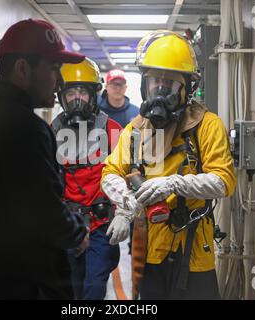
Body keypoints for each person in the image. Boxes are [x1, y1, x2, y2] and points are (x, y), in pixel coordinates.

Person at [0, 19, 89, 300]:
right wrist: (77, 231)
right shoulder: (24, 127)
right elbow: (45, 212)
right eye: (53, 69)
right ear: (22, 69)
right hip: (24, 285)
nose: (60, 81)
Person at [101, 30, 236, 300]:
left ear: (187, 87)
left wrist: (173, 183)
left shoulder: (207, 125)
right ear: (144, 85)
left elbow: (223, 182)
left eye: (170, 84)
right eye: (155, 82)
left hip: (194, 250)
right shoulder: (135, 130)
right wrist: (126, 207)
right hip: (150, 249)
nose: (161, 91)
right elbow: (110, 173)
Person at [51, 58, 123, 300]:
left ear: (94, 94)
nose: (77, 99)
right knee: (71, 289)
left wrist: (124, 214)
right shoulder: (52, 132)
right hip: (67, 224)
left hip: (101, 224)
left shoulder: (112, 130)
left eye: (83, 91)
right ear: (61, 95)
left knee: (93, 288)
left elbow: (126, 175)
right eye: (71, 92)